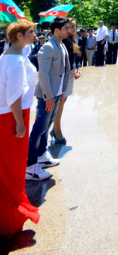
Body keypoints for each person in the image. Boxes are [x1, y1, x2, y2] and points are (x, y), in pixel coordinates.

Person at [0, 19, 40, 238]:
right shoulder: (15, 61)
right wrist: (20, 122)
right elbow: (13, 96)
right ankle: (12, 217)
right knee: (14, 169)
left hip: (9, 116)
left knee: (8, 168)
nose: (33, 35)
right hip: (13, 117)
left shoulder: (7, 57)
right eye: (30, 32)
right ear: (17, 36)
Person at [26, 16, 71, 181]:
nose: (69, 30)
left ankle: (42, 155)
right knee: (39, 128)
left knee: (46, 126)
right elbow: (43, 74)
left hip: (57, 94)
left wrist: (61, 92)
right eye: (66, 28)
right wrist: (49, 97)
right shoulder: (48, 47)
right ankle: (30, 166)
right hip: (48, 96)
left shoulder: (61, 45)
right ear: (56, 30)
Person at [51, 18, 81, 145]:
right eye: (70, 27)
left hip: (69, 75)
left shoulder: (70, 40)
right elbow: (66, 61)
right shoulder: (63, 41)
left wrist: (77, 68)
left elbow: (76, 57)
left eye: (73, 26)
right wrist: (74, 71)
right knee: (60, 103)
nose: (72, 29)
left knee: (63, 101)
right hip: (64, 75)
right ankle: (57, 130)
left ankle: (54, 129)